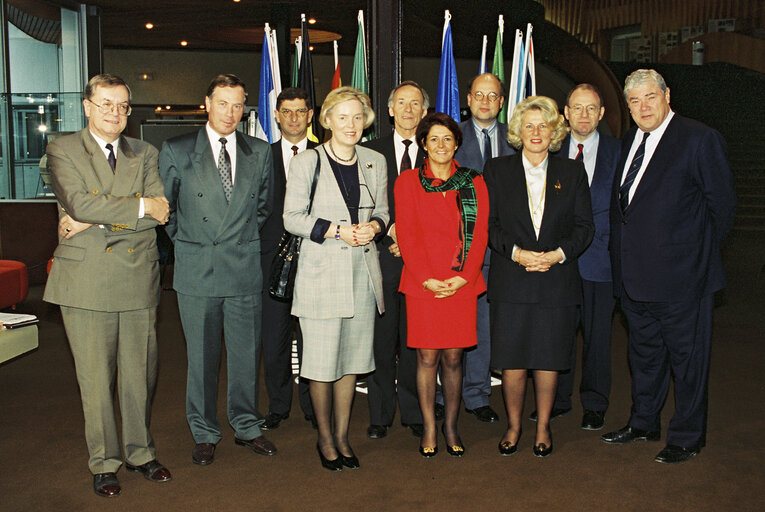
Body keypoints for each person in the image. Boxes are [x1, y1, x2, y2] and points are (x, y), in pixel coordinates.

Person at [44, 73, 172, 497]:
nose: (114, 113)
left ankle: (141, 453)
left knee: (140, 374)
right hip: (86, 281)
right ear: (87, 106)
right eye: (105, 104)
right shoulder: (62, 148)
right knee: (97, 379)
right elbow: (80, 202)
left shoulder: (145, 152)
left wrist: (94, 218)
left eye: (121, 106)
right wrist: (134, 207)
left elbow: (162, 211)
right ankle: (104, 462)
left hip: (138, 277)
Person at [601, 69, 736, 463]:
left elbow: (723, 209)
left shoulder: (699, 138)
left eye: (650, 98)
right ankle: (644, 422)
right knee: (644, 357)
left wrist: (695, 260)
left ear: (666, 95)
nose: (643, 107)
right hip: (633, 280)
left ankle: (688, 435)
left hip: (683, 281)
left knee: (688, 363)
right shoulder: (629, 141)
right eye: (634, 102)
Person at [159, 74, 275, 467]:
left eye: (238, 104)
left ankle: (246, 425)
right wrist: (192, 244)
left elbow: (262, 209)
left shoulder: (260, 151)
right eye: (223, 103)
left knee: (246, 356)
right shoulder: (176, 150)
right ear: (206, 102)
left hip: (243, 268)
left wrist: (235, 241)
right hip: (197, 270)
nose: (230, 112)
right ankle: (205, 431)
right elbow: (167, 213)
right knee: (202, 359)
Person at [283, 86, 388, 471]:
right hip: (321, 277)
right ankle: (324, 436)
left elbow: (384, 212)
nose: (351, 124)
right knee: (322, 364)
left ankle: (344, 434)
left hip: (362, 276)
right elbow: (291, 218)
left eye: (358, 117)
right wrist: (337, 230)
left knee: (351, 362)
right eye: (342, 117)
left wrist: (374, 226)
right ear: (326, 120)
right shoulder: (307, 162)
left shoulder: (375, 161)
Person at [484, 96, 594, 457]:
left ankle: (543, 426)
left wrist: (556, 256)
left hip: (556, 280)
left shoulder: (572, 172)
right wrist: (518, 253)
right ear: (517, 131)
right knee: (513, 358)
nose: (536, 132)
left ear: (554, 131)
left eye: (543, 125)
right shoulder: (497, 170)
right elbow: (490, 224)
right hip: (511, 278)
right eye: (528, 125)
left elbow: (584, 227)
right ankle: (514, 426)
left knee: (548, 357)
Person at [395, 112, 489, 457]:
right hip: (423, 285)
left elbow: (479, 234)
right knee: (427, 357)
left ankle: (451, 425)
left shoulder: (473, 181)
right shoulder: (407, 182)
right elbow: (407, 234)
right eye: (433, 139)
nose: (441, 145)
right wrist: (428, 279)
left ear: (457, 144)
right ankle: (429, 428)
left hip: (461, 283)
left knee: (453, 358)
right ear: (423, 144)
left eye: (447, 139)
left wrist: (462, 277)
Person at [535, 84, 621, 430]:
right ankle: (558, 400)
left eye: (591, 109)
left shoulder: (620, 151)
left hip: (600, 261)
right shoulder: (549, 152)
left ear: (601, 114)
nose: (584, 115)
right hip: (557, 262)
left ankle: (595, 403)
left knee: (598, 337)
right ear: (565, 113)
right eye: (577, 108)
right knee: (558, 334)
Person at [446, 72, 516, 424]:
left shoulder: (518, 138)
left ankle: (478, 392)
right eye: (479, 95)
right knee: (459, 325)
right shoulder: (450, 139)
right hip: (461, 248)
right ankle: (454, 394)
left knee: (488, 325)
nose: (485, 101)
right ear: (469, 100)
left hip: (508, 251)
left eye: (493, 95)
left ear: (501, 102)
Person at [362, 81, 428, 440]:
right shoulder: (370, 151)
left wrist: (414, 241)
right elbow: (363, 203)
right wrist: (390, 233)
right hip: (382, 256)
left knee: (414, 341)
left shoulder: (438, 150)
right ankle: (380, 414)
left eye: (415, 103)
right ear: (389, 110)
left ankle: (415, 412)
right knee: (381, 341)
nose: (407, 110)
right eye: (401, 103)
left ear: (424, 111)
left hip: (423, 264)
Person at [260, 87, 317, 431]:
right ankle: (279, 405)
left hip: (316, 260)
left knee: (312, 337)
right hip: (271, 262)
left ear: (311, 116)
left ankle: (313, 405)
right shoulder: (260, 157)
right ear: (277, 116)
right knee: (275, 337)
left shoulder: (328, 156)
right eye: (287, 111)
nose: (294, 117)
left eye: (300, 111)